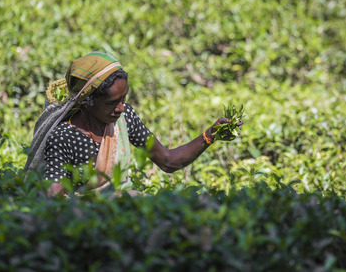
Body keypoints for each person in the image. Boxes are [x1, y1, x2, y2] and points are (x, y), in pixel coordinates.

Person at [24, 51, 242, 196]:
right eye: (112, 102)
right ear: (87, 102)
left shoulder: (124, 118)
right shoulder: (65, 136)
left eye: (124, 98)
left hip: (126, 203)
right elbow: (52, 197)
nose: (120, 107)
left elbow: (168, 161)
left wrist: (210, 135)